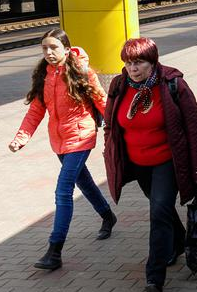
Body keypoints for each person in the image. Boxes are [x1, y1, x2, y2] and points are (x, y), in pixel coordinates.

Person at [103, 37, 197, 292]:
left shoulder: (173, 84)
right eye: (128, 63)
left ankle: (155, 276)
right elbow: (110, 123)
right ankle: (177, 243)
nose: (132, 69)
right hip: (137, 163)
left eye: (138, 62)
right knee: (161, 208)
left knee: (158, 213)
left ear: (152, 62)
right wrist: (110, 153)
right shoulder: (119, 85)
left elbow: (194, 128)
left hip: (167, 161)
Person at [8, 29, 116, 272]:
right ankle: (108, 215)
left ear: (67, 49)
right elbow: (36, 110)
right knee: (85, 183)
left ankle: (54, 250)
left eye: (54, 48)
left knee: (63, 190)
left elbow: (103, 102)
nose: (49, 53)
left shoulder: (82, 72)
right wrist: (20, 138)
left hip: (81, 137)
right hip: (58, 140)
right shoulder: (43, 76)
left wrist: (121, 128)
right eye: (45, 48)